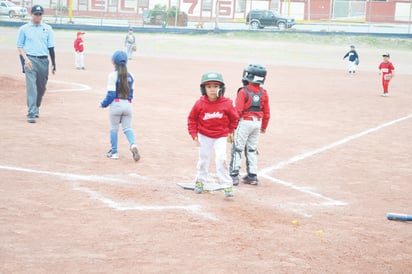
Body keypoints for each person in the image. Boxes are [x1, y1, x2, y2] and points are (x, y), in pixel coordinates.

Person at [187, 72, 239, 197]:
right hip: (204, 136)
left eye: (215, 86)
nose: (212, 89)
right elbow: (192, 119)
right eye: (208, 86)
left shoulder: (226, 103)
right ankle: (200, 181)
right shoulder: (200, 103)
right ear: (203, 89)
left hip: (220, 136)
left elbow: (235, 118)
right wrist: (194, 135)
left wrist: (230, 130)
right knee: (203, 160)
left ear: (221, 88)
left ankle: (227, 185)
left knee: (221, 159)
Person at [229, 64, 270, 186]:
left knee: (237, 148)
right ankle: (252, 176)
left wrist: (233, 126)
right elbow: (267, 113)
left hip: (245, 122)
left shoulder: (243, 91)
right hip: (257, 123)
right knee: (251, 149)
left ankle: (234, 175)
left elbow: (238, 111)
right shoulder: (264, 93)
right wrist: (264, 127)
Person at [16, 4, 56, 123]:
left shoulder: (48, 29)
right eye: (36, 14)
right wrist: (26, 59)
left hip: (44, 60)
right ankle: (31, 112)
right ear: (31, 14)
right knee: (31, 87)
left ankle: (37, 106)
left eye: (40, 14)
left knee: (41, 87)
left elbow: (51, 47)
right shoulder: (24, 29)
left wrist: (54, 63)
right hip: (30, 60)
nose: (38, 16)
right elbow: (19, 46)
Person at [100, 50, 140, 162]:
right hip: (128, 104)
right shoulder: (131, 76)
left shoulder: (112, 75)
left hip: (116, 105)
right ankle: (133, 144)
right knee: (127, 128)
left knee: (114, 129)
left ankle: (114, 152)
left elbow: (111, 94)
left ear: (113, 62)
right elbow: (132, 93)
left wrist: (103, 104)